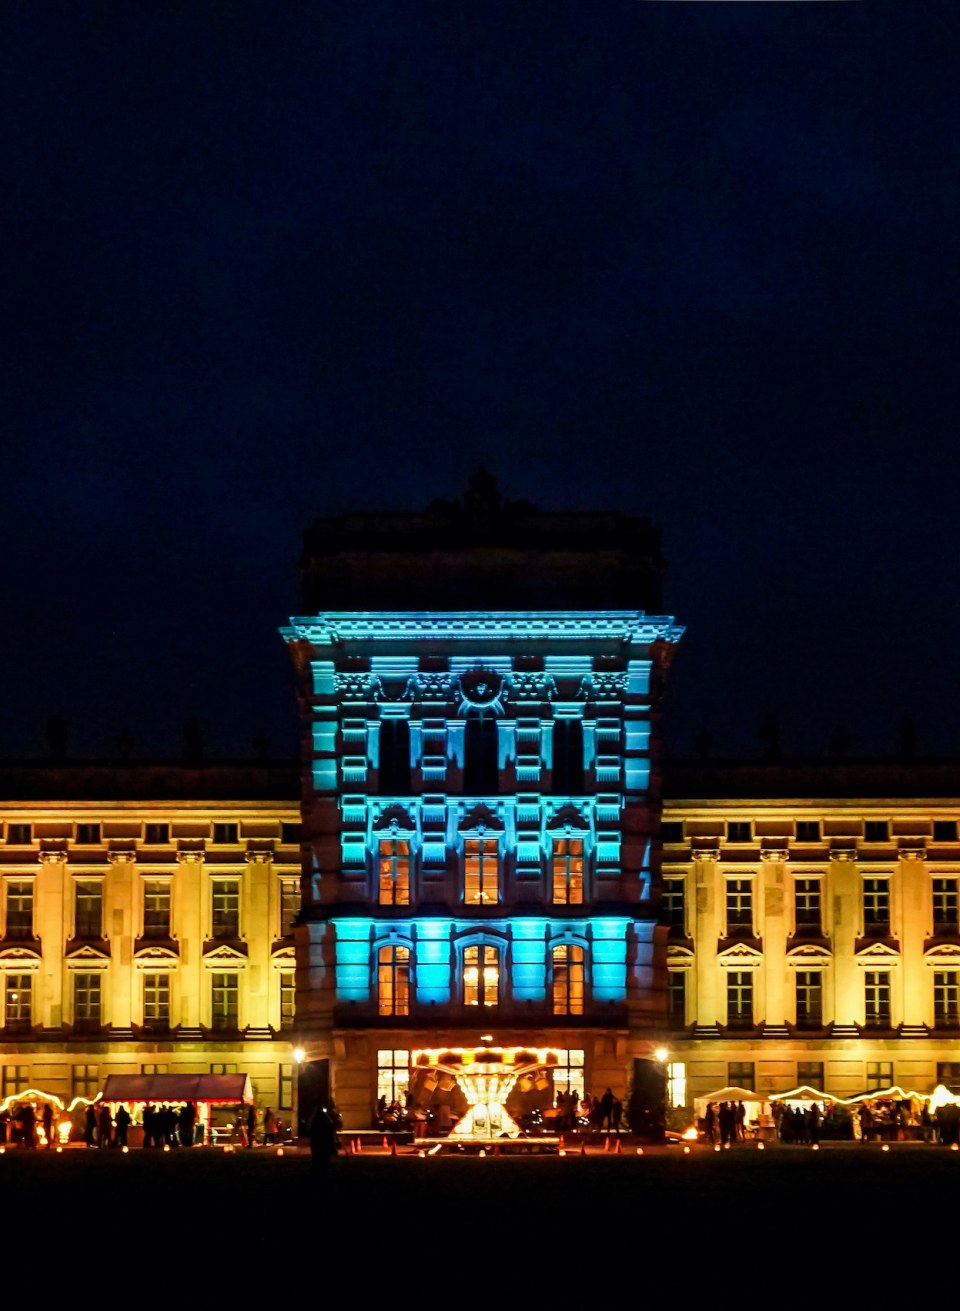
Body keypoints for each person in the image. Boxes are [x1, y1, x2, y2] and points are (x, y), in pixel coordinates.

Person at [309, 1105, 339, 1181]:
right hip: (324, 1146)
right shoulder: (327, 1123)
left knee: (317, 1161)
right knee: (324, 1162)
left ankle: (317, 1176)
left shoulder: (314, 1123)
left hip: (317, 1146)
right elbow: (331, 1133)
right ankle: (322, 1176)